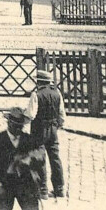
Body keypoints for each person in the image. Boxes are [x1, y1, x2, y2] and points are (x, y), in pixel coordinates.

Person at [0, 107, 45, 210]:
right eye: (16, 125)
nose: (19, 128)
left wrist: (29, 158)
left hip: (25, 183)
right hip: (5, 184)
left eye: (21, 126)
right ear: (9, 123)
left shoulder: (28, 140)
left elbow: (41, 154)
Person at [25, 69, 66, 199]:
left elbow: (31, 115)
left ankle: (43, 190)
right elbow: (62, 115)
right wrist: (57, 126)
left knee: (40, 158)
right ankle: (59, 189)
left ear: (38, 82)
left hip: (39, 129)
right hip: (53, 129)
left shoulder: (36, 95)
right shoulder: (57, 93)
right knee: (55, 158)